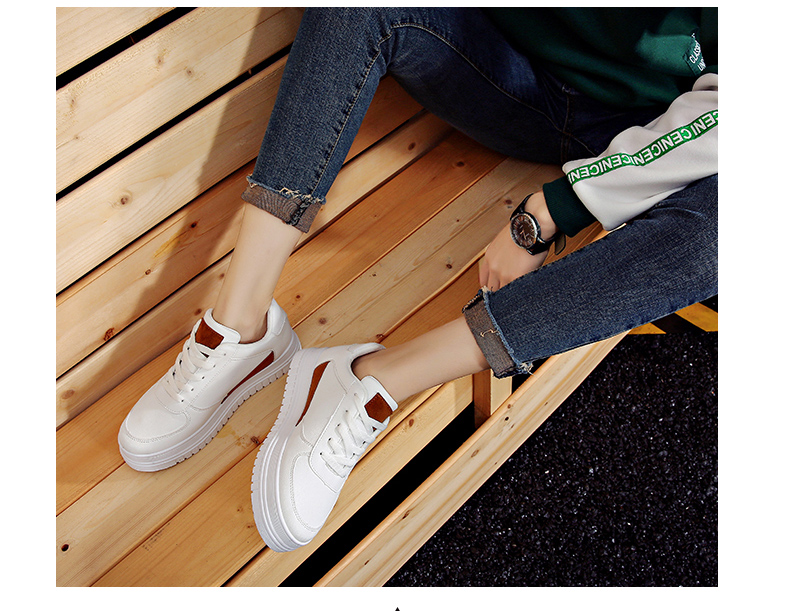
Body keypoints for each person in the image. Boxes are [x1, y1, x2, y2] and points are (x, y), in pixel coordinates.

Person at [117, 8, 718, 553]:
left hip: (655, 126)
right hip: (507, 74)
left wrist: (556, 208)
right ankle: (242, 328)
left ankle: (369, 379)